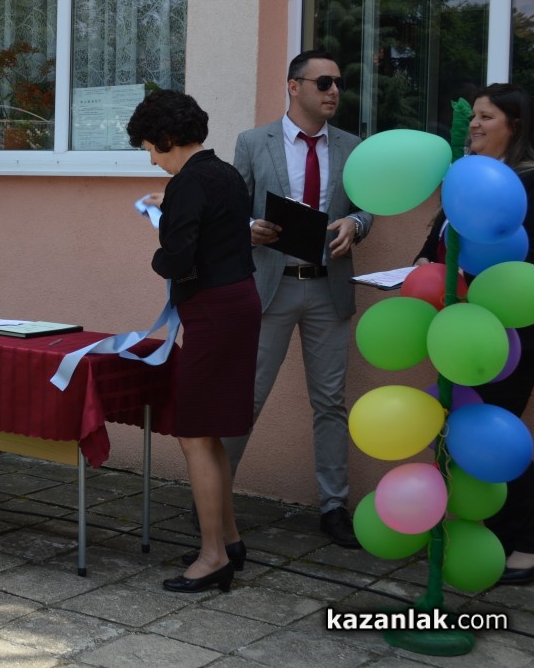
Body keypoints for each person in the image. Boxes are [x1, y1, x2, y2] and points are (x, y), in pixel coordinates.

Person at [227, 49, 373, 549]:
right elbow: (231, 212)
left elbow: (367, 208)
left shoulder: (352, 147)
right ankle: (215, 498)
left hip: (328, 288)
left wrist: (356, 224)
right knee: (246, 397)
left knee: (331, 402)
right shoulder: (253, 142)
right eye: (323, 82)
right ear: (294, 87)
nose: (334, 91)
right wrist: (250, 227)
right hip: (271, 286)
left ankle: (334, 506)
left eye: (339, 83)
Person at [413, 83, 534, 584]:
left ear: (515, 127)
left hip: (514, 337)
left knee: (490, 430)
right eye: (473, 115)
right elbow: (437, 244)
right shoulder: (466, 178)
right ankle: (504, 534)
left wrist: (469, 277)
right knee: (467, 430)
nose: (474, 124)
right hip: (464, 332)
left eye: (487, 117)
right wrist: (420, 267)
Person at [127, 90, 261, 593]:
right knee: (211, 431)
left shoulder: (187, 183)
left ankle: (212, 557)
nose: (151, 159)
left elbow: (177, 257)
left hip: (213, 311)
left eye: (150, 148)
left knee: (194, 434)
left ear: (166, 138)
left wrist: (158, 253)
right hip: (238, 302)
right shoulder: (224, 173)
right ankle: (228, 540)